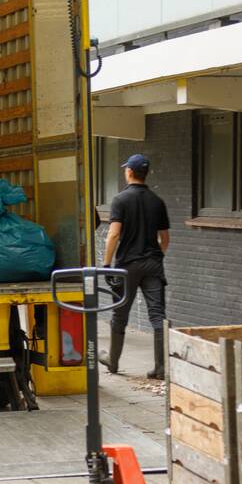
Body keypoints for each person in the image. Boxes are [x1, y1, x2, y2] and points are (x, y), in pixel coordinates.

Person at [99, 153, 170, 379]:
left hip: (126, 266)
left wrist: (106, 264)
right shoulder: (157, 201)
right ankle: (161, 367)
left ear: (129, 172)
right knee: (158, 315)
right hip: (152, 264)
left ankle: (113, 362)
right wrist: (157, 258)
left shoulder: (120, 200)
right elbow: (165, 238)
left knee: (120, 314)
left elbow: (113, 234)